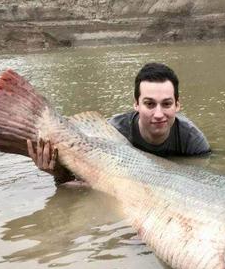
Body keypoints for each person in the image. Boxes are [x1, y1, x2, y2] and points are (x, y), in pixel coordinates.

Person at [27, 62, 210, 185]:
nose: (158, 114)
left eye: (167, 104)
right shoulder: (113, 131)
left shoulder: (194, 142)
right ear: (136, 104)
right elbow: (84, 179)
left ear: (177, 105)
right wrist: (57, 172)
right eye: (149, 104)